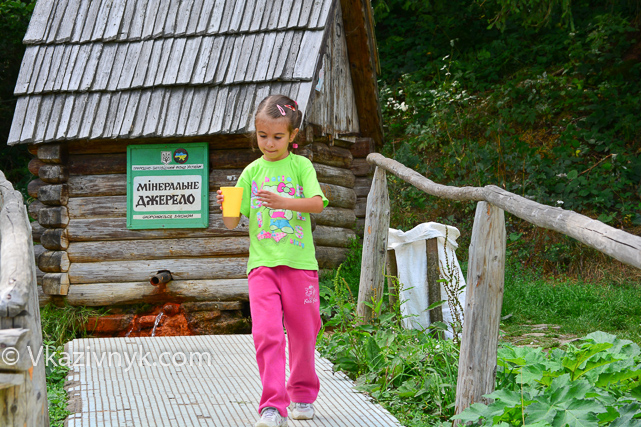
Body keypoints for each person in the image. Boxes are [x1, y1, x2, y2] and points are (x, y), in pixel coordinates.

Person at [216, 94, 328, 427]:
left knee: (304, 333)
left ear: (292, 136)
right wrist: (228, 204)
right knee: (267, 333)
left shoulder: (300, 166)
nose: (269, 143)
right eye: (262, 135)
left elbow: (317, 204)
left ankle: (303, 394)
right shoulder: (251, 172)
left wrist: (283, 201)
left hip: (300, 265)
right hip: (262, 268)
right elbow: (233, 223)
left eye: (277, 136)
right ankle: (272, 406)